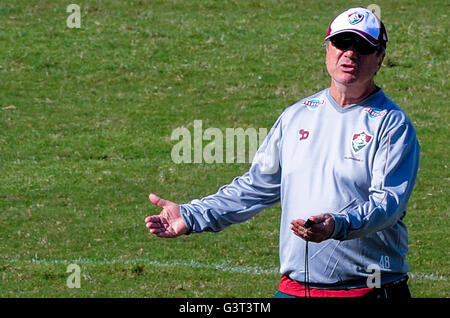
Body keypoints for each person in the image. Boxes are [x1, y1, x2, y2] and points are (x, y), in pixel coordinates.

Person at [145, 7, 420, 299]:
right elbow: (256, 187)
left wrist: (337, 225)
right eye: (342, 43)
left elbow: (387, 204)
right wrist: (191, 215)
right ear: (327, 48)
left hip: (368, 290)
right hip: (295, 290)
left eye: (363, 46)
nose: (350, 54)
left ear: (379, 58)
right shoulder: (297, 116)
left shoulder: (392, 125)